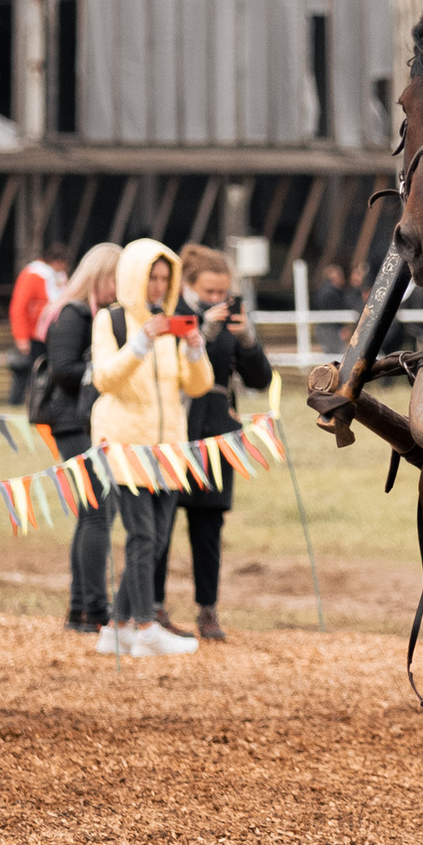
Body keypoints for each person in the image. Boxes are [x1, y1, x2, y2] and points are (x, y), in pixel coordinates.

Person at [90, 238, 212, 658]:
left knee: (157, 540)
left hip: (168, 448)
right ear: (133, 278)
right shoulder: (112, 321)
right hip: (126, 444)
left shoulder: (172, 323)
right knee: (142, 536)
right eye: (151, 277)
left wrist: (196, 350)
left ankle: (115, 628)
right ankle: (144, 628)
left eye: (164, 278)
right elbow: (105, 379)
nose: (158, 286)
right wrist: (139, 343)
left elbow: (198, 387)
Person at [159, 245, 272, 642]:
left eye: (222, 292)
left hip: (218, 434)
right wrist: (200, 333)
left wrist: (247, 341)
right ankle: (154, 606)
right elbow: (169, 368)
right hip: (173, 430)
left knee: (208, 527)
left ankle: (207, 609)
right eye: (208, 292)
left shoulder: (231, 321)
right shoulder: (169, 317)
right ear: (188, 285)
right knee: (161, 523)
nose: (217, 299)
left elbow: (260, 380)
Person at [35, 242, 123, 634]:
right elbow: (62, 369)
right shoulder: (72, 314)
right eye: (116, 277)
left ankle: (80, 608)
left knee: (93, 515)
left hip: (91, 423)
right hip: (73, 422)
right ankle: (93, 608)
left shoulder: (101, 314)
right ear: (99, 276)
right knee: (98, 513)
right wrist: (103, 364)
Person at [8, 242, 72, 407]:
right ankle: (18, 403)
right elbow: (19, 307)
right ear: (56, 262)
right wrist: (21, 337)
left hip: (52, 332)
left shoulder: (58, 277)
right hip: (34, 334)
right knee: (28, 372)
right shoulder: (32, 274)